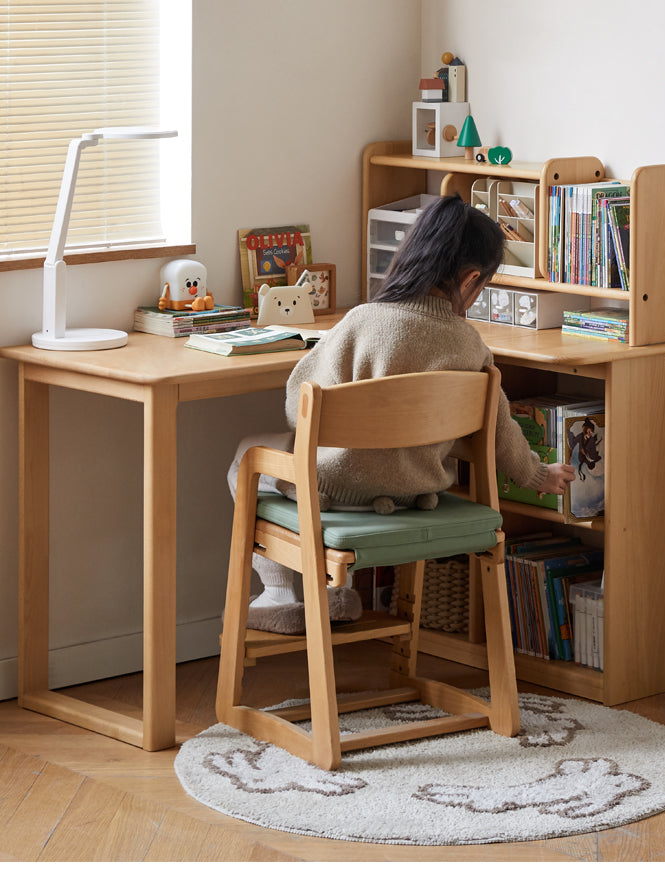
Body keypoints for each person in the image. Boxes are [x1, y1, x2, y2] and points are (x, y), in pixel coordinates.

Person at [228, 195, 575, 632]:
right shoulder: (472, 347)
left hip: (333, 494)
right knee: (358, 457)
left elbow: (300, 405)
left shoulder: (361, 321)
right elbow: (500, 432)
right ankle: (337, 593)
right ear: (471, 279)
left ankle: (279, 592)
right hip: (414, 495)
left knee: (247, 454)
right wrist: (537, 476)